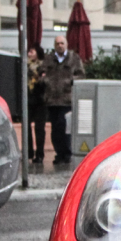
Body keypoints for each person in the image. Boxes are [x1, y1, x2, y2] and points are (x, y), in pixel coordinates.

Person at [40, 34, 84, 164]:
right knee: (55, 129)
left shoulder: (74, 59)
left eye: (62, 43)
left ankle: (67, 152)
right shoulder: (49, 59)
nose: (60, 45)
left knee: (65, 126)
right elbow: (41, 73)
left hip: (66, 99)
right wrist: (45, 80)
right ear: (54, 46)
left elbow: (81, 75)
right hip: (52, 100)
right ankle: (59, 153)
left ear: (66, 45)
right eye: (57, 43)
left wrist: (69, 81)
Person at [27, 46, 47, 163]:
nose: (29, 54)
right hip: (29, 100)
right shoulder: (25, 66)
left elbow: (45, 83)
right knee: (27, 128)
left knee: (40, 128)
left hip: (40, 100)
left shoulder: (43, 66)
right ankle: (29, 152)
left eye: (31, 51)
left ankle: (40, 154)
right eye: (28, 52)